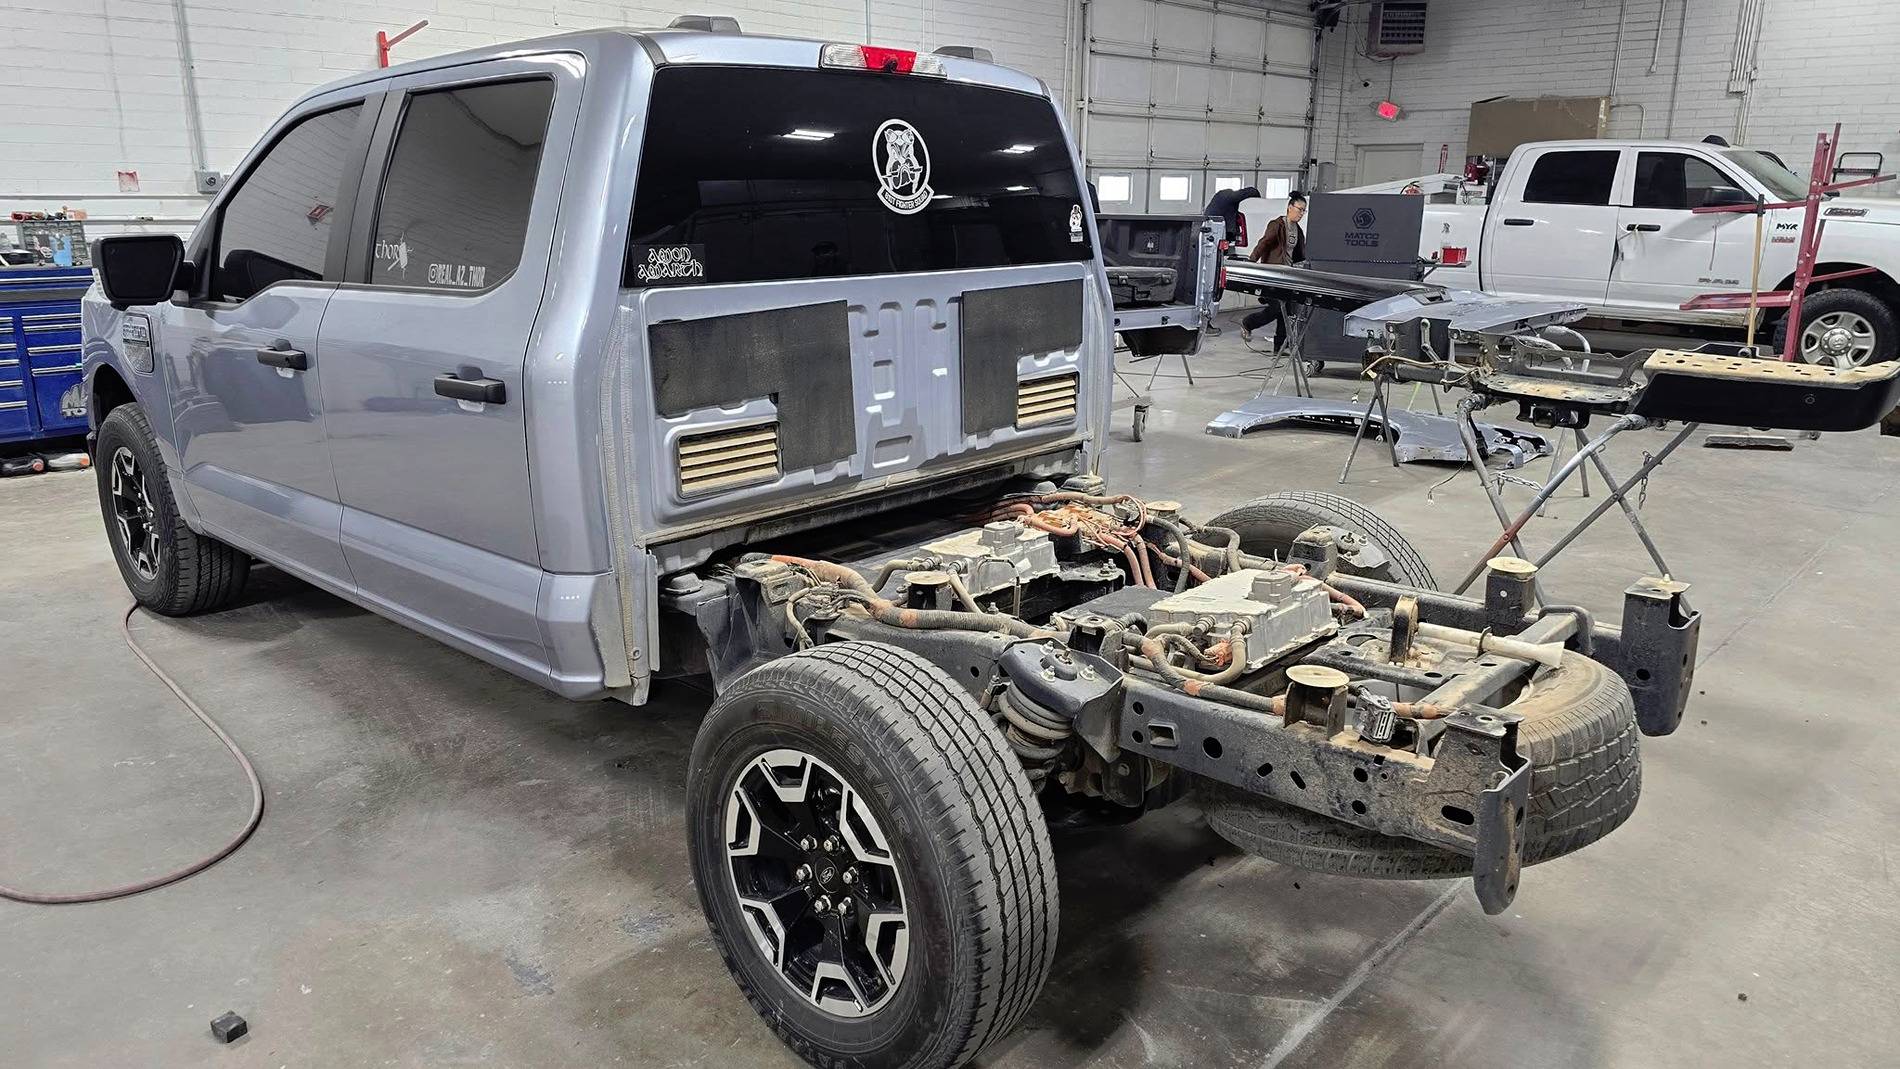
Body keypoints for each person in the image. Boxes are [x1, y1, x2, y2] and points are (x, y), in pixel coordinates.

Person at [1240, 191, 1307, 344]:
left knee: (1287, 311)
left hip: (1288, 276)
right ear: (1290, 207)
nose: (1301, 213)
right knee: (1277, 308)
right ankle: (1248, 323)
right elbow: (1264, 243)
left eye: (1304, 210)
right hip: (1273, 275)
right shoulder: (1277, 225)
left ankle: (1280, 346)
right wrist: (1251, 261)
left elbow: (1300, 254)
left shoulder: (1298, 231)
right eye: (1299, 209)